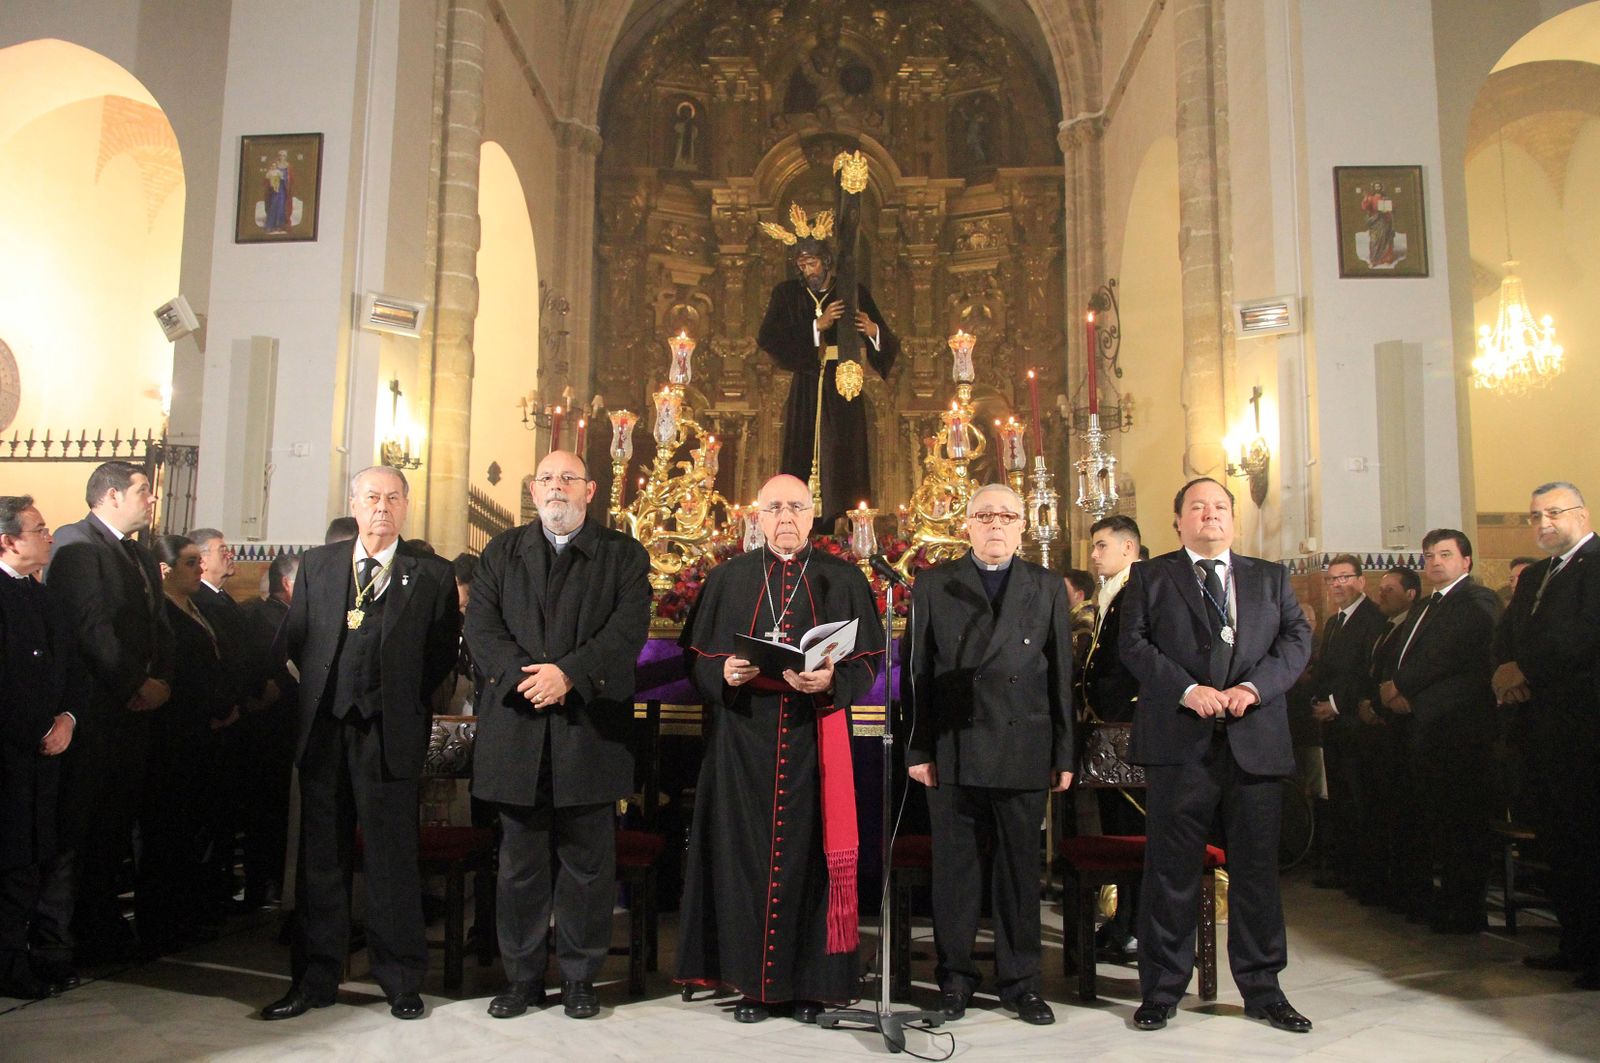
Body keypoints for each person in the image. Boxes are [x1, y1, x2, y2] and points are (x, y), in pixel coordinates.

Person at [676, 473, 882, 1024]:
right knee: (743, 859)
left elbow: (868, 662)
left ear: (813, 515)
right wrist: (725, 671)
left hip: (816, 741)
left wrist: (832, 683)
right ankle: (752, 985)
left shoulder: (843, 577)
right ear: (758, 517)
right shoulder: (729, 578)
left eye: (796, 507)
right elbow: (695, 658)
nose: (785, 517)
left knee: (811, 862)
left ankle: (812, 984)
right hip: (743, 742)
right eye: (775, 508)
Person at [261, 467, 460, 1022]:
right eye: (372, 497)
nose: (382, 508)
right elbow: (294, 638)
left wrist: (394, 695)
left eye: (393, 498)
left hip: (387, 731)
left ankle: (399, 980)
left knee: (392, 860)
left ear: (406, 506)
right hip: (325, 728)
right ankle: (315, 980)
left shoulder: (431, 574)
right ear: (353, 503)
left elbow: (441, 653)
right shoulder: (320, 565)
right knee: (320, 859)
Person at [1119, 477, 1312, 1033]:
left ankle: (1263, 988)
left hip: (1255, 742)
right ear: (1177, 519)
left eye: (1220, 506)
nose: (1210, 514)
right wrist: (1186, 689)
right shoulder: (1151, 576)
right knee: (1171, 872)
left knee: (1256, 872)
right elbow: (1133, 643)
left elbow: (1296, 641)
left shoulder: (1270, 577)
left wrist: (1253, 689)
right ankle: (1161, 988)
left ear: (1234, 519)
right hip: (1181, 742)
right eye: (1197, 506)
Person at [467, 451, 651, 1020]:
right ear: (532, 488)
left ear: (590, 490)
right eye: (546, 478)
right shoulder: (501, 552)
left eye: (568, 478)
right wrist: (532, 678)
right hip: (518, 728)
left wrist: (568, 674)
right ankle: (521, 979)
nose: (556, 487)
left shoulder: (623, 555)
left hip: (589, 730)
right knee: (519, 865)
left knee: (587, 865)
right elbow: (482, 627)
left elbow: (626, 630)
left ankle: (578, 978)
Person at [904, 484, 1073, 1025]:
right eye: (985, 516)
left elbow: (1062, 678)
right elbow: (917, 676)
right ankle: (954, 977)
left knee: (1020, 872)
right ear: (967, 525)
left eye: (1006, 516)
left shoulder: (1047, 586)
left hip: (1024, 744)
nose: (995, 525)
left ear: (1023, 525)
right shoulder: (934, 584)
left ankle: (1021, 982)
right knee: (955, 873)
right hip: (954, 745)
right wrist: (919, 746)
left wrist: (1065, 751)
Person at [42, 461, 173, 967]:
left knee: (113, 830)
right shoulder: (77, 543)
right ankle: (57, 941)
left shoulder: (137, 553)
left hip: (134, 715)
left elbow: (160, 627)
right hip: (95, 712)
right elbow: (90, 628)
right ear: (112, 495)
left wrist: (163, 682)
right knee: (77, 831)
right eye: (144, 490)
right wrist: (135, 683)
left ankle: (99, 932)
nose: (151, 499)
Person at [1492, 483, 1600, 989]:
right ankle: (1573, 941)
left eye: (1554, 513)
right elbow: (1508, 632)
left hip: (1583, 725)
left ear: (1581, 513)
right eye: (1535, 515)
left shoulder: (1596, 563)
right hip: (1538, 728)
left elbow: (1583, 634)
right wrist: (1502, 670)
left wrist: (1524, 669)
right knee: (1559, 841)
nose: (1543, 523)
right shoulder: (1537, 573)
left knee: (1589, 839)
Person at [1382, 529, 1500, 934]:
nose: (1434, 562)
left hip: (1459, 731)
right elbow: (1406, 651)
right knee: (1437, 823)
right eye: (1429, 555)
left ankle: (1466, 909)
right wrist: (1391, 684)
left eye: (1445, 554)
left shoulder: (1475, 600)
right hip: (1424, 729)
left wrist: (1402, 685)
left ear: (1466, 561)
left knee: (1462, 825)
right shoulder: (1428, 605)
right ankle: (1445, 901)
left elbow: (1448, 652)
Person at [757, 229, 899, 525]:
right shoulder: (787, 294)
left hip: (844, 381)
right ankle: (797, 518)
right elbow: (768, 337)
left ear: (826, 261)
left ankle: (845, 517)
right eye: (802, 265)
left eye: (813, 263)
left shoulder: (851, 291)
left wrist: (873, 333)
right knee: (803, 444)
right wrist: (815, 326)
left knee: (844, 448)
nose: (808, 270)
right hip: (807, 379)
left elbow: (887, 339)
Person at [0, 498, 75, 1000]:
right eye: (39, 529)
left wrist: (67, 719)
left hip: (47, 750)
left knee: (31, 863)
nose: (49, 537)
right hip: (9, 753)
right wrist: (36, 730)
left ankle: (23, 957)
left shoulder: (44, 597)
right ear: (8, 540)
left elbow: (69, 667)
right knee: (8, 864)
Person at [140, 535, 227, 954]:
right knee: (167, 829)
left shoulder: (194, 608)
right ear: (165, 570)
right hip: (172, 734)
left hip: (200, 732)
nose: (198, 570)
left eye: (198, 562)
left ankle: (185, 913)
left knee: (191, 827)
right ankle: (161, 922)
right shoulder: (162, 615)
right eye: (190, 563)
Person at [1081, 514, 1144, 954]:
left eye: (1102, 545)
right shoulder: (1111, 591)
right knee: (1117, 834)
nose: (1093, 554)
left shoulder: (1140, 589)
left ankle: (1136, 925)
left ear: (1128, 547)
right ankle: (1123, 920)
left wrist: (1123, 712)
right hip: (1107, 729)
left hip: (1130, 729)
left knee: (1135, 833)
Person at [1307, 555, 1387, 897]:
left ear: (1361, 580)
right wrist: (1318, 701)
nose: (1338, 585)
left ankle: (1367, 876)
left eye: (1345, 578)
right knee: (1340, 798)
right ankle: (1346, 870)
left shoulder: (1372, 619)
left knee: (1361, 801)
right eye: (1332, 579)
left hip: (1358, 723)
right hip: (1335, 724)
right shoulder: (1336, 620)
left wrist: (1336, 705)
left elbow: (1366, 671)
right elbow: (1328, 669)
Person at [1354, 566, 1422, 911]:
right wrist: (1367, 702)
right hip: (1377, 726)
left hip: (1400, 729)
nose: (1382, 595)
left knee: (1403, 812)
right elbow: (1372, 673)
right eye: (1381, 590)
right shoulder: (1386, 627)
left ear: (1411, 594)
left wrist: (1381, 706)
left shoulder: (1411, 628)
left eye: (1390, 590)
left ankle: (1406, 888)